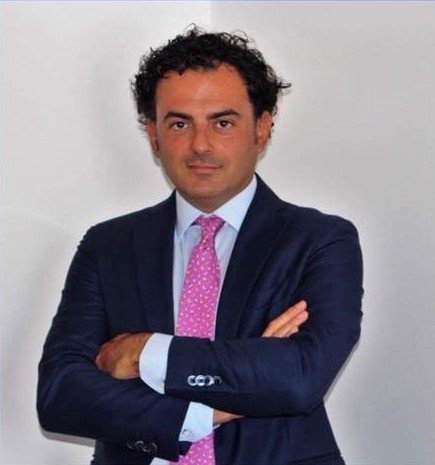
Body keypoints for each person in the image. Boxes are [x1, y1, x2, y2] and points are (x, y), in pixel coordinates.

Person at [37, 26, 364, 465]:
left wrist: (145, 352)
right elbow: (60, 394)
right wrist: (207, 409)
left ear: (262, 128)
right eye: (179, 124)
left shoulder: (320, 240)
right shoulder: (108, 245)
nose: (200, 145)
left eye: (222, 123)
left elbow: (299, 378)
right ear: (153, 136)